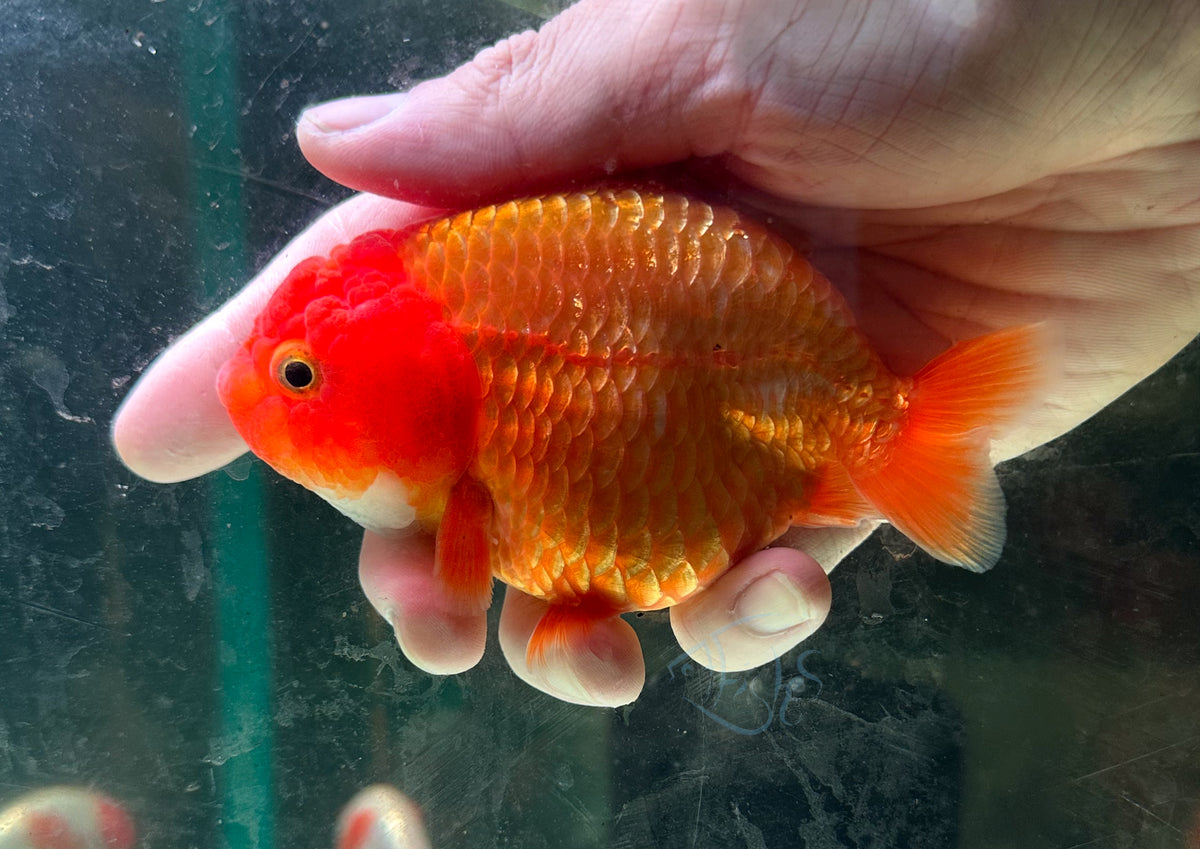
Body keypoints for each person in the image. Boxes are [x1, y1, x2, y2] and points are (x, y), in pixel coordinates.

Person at [112, 0, 1200, 706]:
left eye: (301, 378)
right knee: (598, 627)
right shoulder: (461, 312)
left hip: (797, 348)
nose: (271, 395)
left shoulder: (466, 445)